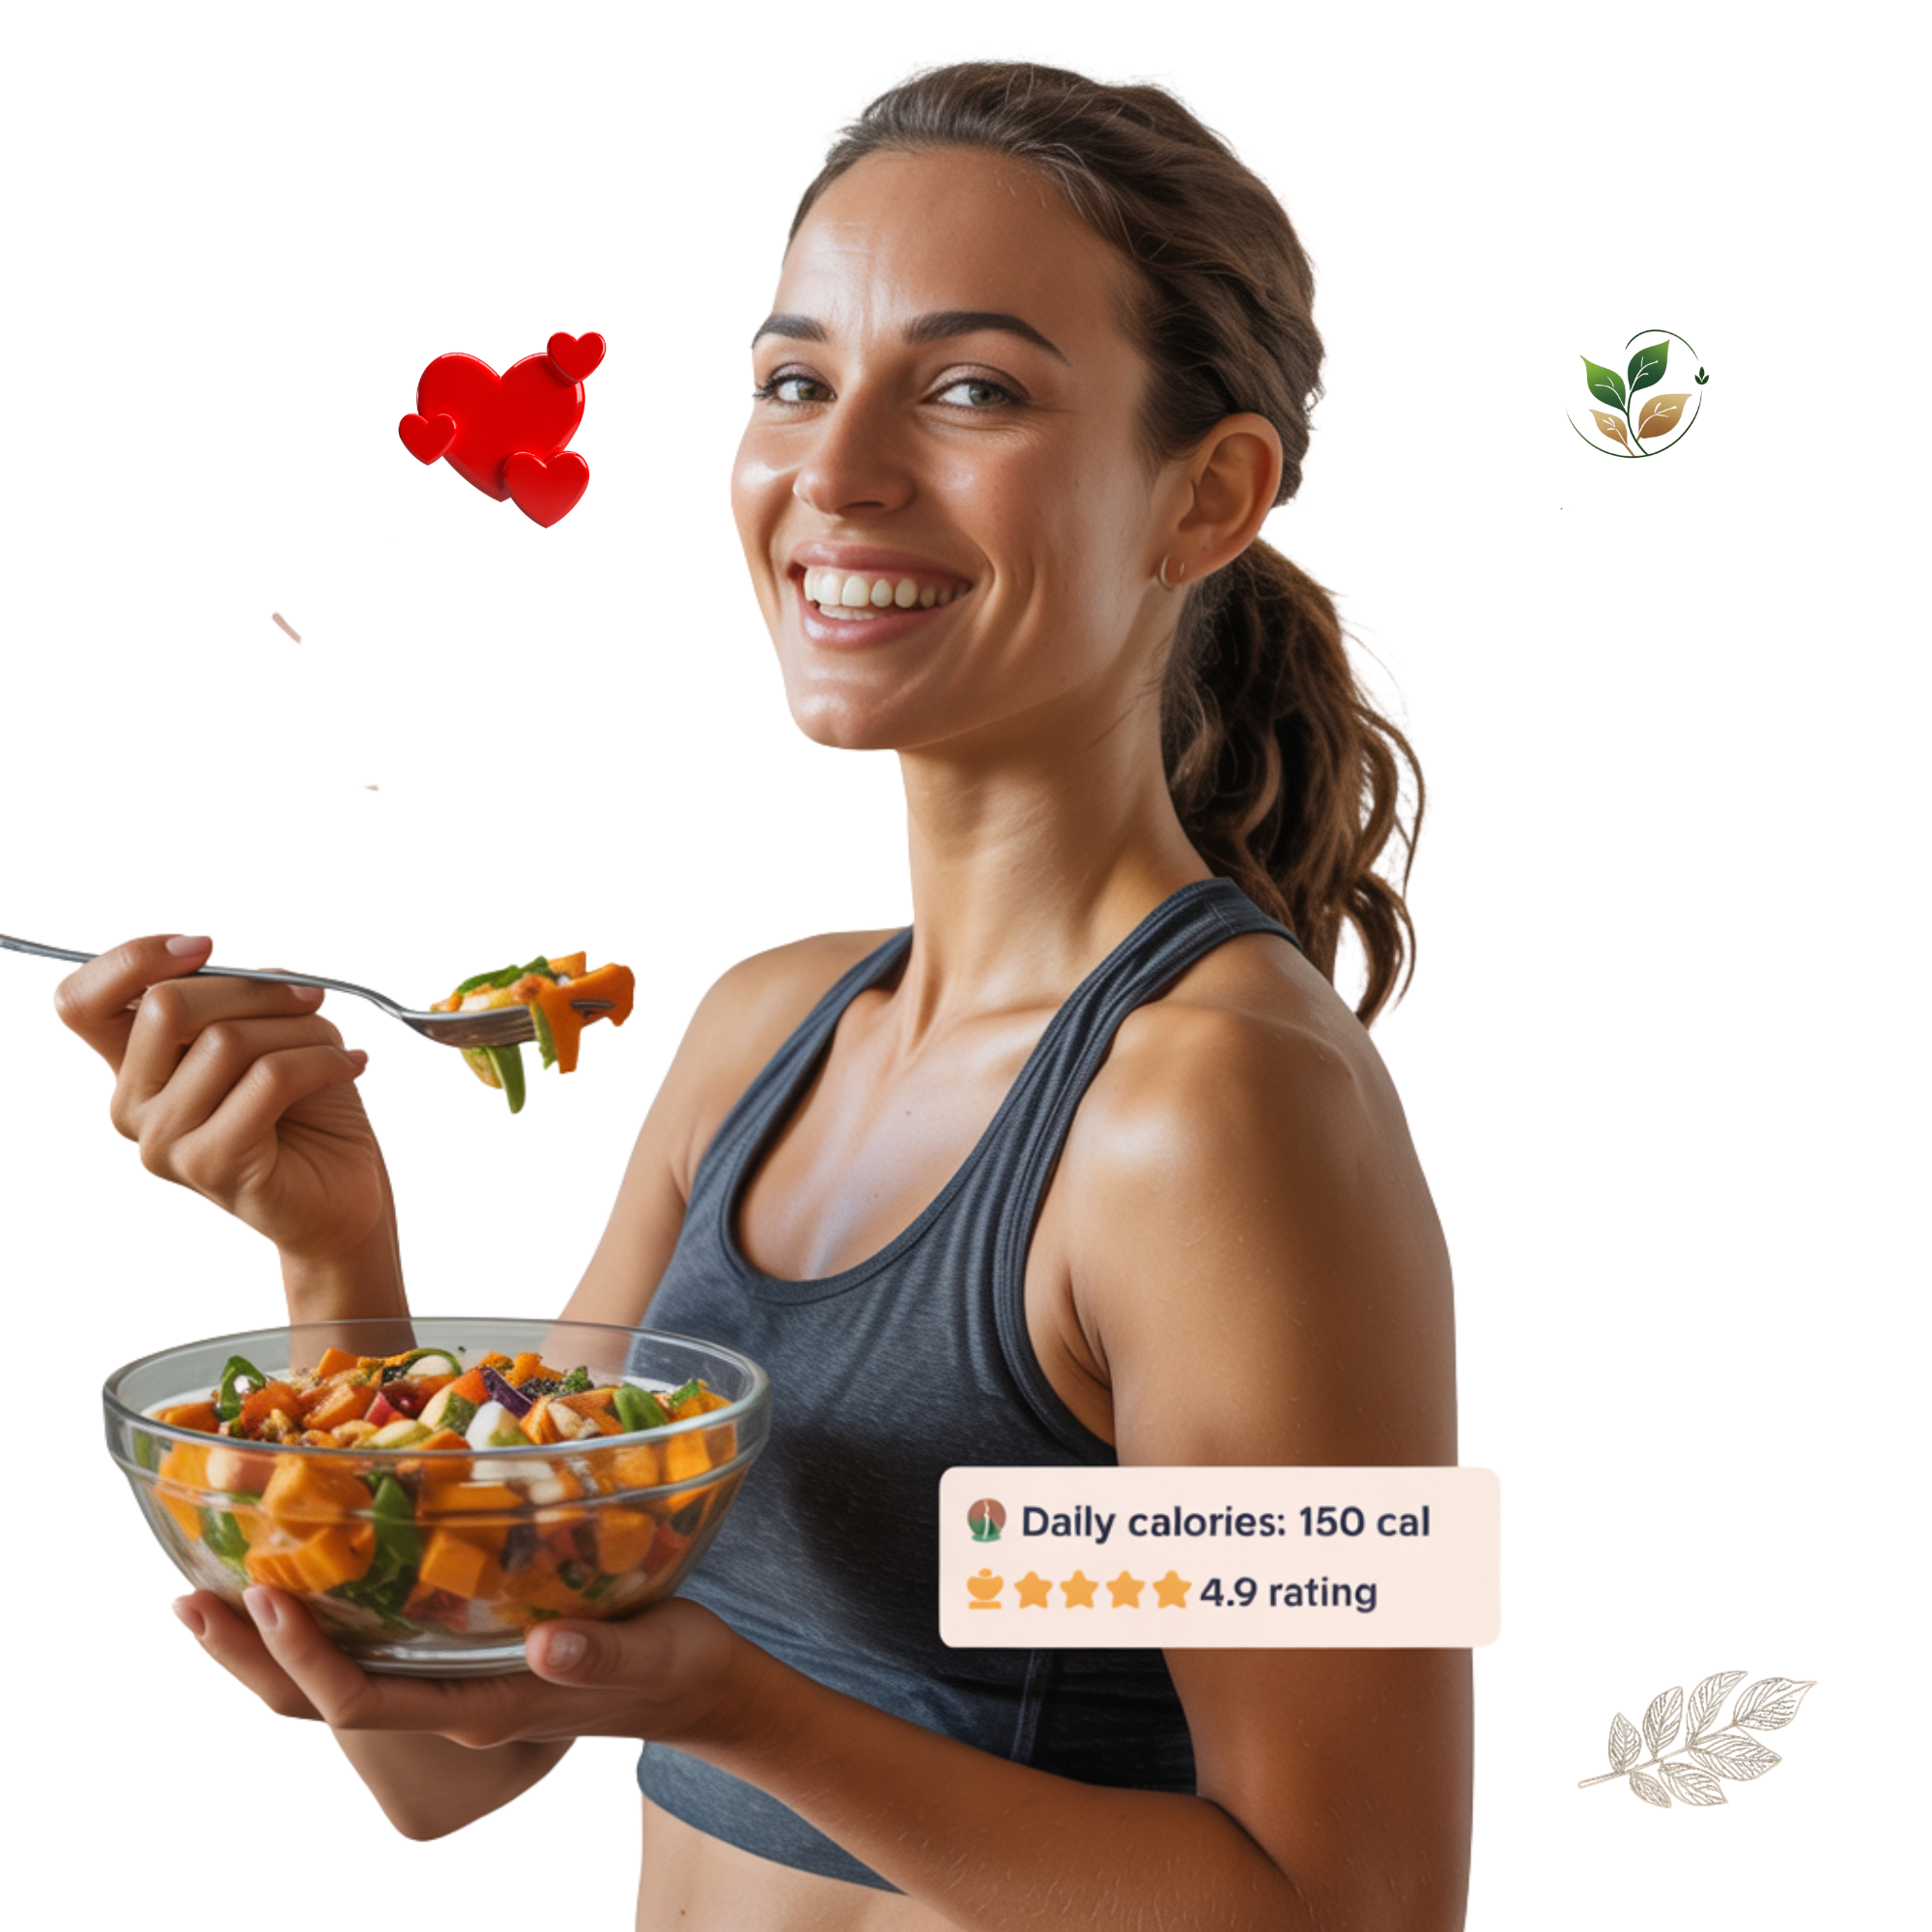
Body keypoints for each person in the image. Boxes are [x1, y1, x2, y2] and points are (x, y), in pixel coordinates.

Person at [57, 50, 1468, 1932]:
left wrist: (741, 1705)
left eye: (970, 388)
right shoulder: (760, 1029)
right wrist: (339, 1263)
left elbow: (1347, 1908)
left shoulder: (1218, 1104)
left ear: (1204, 494)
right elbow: (455, 1756)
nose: (836, 470)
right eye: (796, 380)